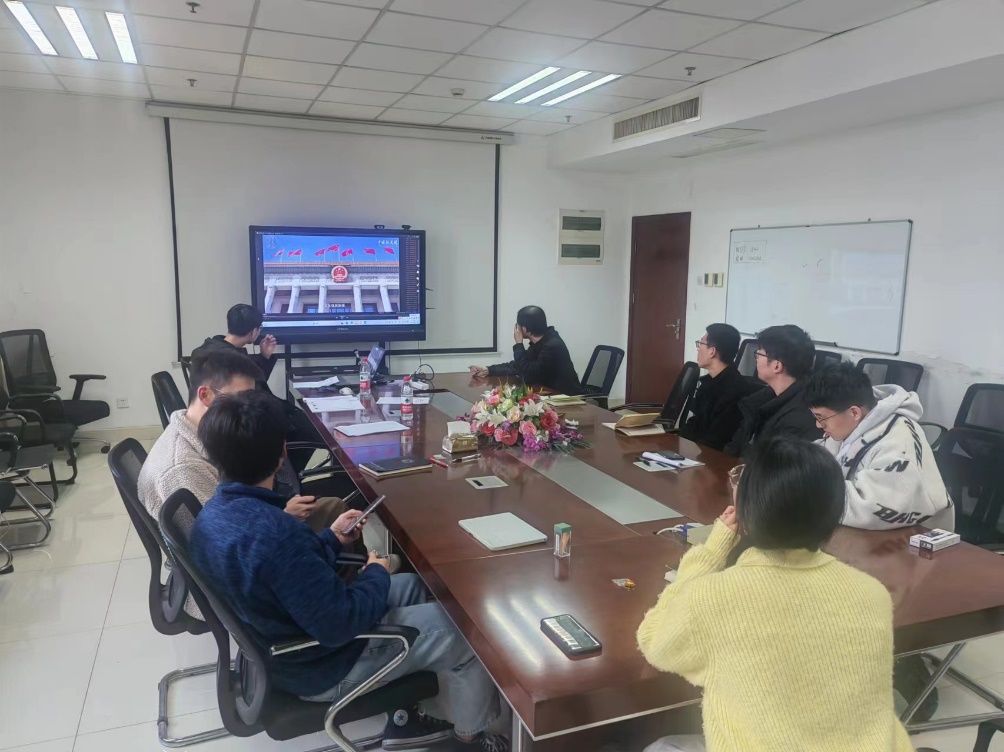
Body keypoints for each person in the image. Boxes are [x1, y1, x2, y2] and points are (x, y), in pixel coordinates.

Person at [190, 390, 508, 752]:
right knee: (470, 631)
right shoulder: (275, 532)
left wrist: (332, 539)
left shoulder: (212, 516)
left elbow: (285, 574)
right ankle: (470, 739)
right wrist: (376, 572)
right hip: (321, 664)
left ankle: (407, 713)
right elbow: (340, 623)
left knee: (414, 586)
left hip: (284, 641)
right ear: (281, 453)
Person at [637, 437, 913, 752]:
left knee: (661, 747)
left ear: (748, 508)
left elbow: (655, 642)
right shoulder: (871, 593)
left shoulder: (716, 596)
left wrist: (710, 552)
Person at [138, 349, 347, 532]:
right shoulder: (184, 469)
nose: (250, 406)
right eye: (241, 398)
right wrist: (283, 515)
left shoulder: (207, 434)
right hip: (260, 542)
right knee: (340, 520)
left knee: (335, 508)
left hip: (259, 515)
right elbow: (220, 542)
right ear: (205, 395)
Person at [806, 363, 954, 531]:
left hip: (913, 536)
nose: (818, 425)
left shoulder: (899, 441)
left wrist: (807, 487)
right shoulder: (850, 423)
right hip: (864, 531)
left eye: (821, 417)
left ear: (854, 412)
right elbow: (822, 457)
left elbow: (873, 506)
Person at [192, 303, 325, 473]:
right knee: (314, 430)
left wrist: (264, 356)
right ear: (253, 331)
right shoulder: (232, 358)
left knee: (305, 423)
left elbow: (253, 383)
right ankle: (281, 476)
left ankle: (282, 475)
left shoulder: (209, 348)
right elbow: (254, 393)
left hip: (223, 420)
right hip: (246, 422)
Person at [724, 324, 821, 456]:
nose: (756, 359)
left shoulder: (799, 418)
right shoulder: (761, 400)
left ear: (777, 366)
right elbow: (734, 448)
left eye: (759, 354)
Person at [678, 324, 762, 450]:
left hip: (712, 456)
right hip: (696, 451)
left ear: (712, 351)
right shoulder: (708, 383)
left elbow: (716, 439)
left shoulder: (734, 391)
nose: (698, 349)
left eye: (700, 344)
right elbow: (696, 423)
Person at [469, 306, 581, 395]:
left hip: (568, 399)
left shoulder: (552, 345)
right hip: (549, 394)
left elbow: (528, 375)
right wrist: (489, 370)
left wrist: (519, 344)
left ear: (524, 328)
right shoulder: (541, 342)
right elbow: (519, 365)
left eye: (518, 325)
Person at [191, 303, 278, 382]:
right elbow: (257, 386)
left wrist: (264, 355)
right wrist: (265, 357)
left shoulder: (207, 348)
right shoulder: (236, 360)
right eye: (260, 328)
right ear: (254, 331)